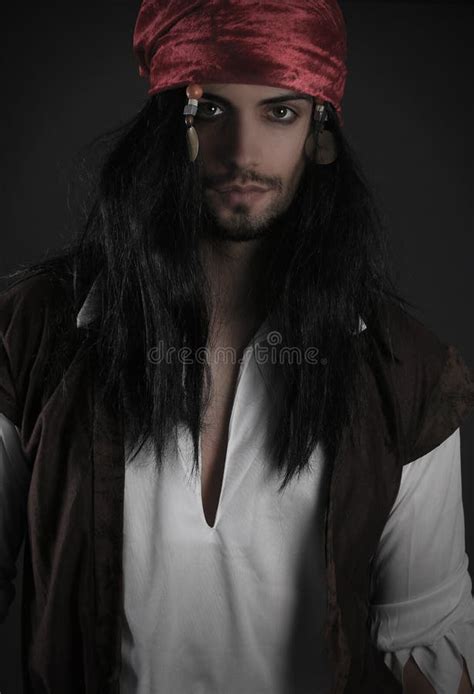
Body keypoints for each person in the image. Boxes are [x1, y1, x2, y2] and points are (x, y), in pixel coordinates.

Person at [0, 1, 473, 692]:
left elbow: (431, 644)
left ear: (319, 130)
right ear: (168, 123)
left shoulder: (408, 371)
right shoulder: (32, 333)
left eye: (280, 112)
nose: (243, 153)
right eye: (210, 110)